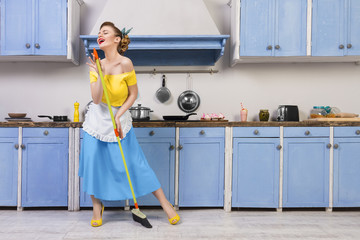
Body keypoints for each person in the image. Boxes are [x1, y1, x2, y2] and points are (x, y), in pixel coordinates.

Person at [79, 21, 180, 227]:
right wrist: (98, 74)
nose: (100, 34)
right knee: (93, 163)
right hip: (97, 120)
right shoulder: (95, 64)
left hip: (120, 118)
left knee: (136, 164)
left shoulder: (126, 63)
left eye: (105, 32)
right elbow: (97, 99)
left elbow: (133, 94)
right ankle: (97, 207)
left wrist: (119, 115)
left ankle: (165, 204)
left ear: (116, 39)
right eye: (99, 32)